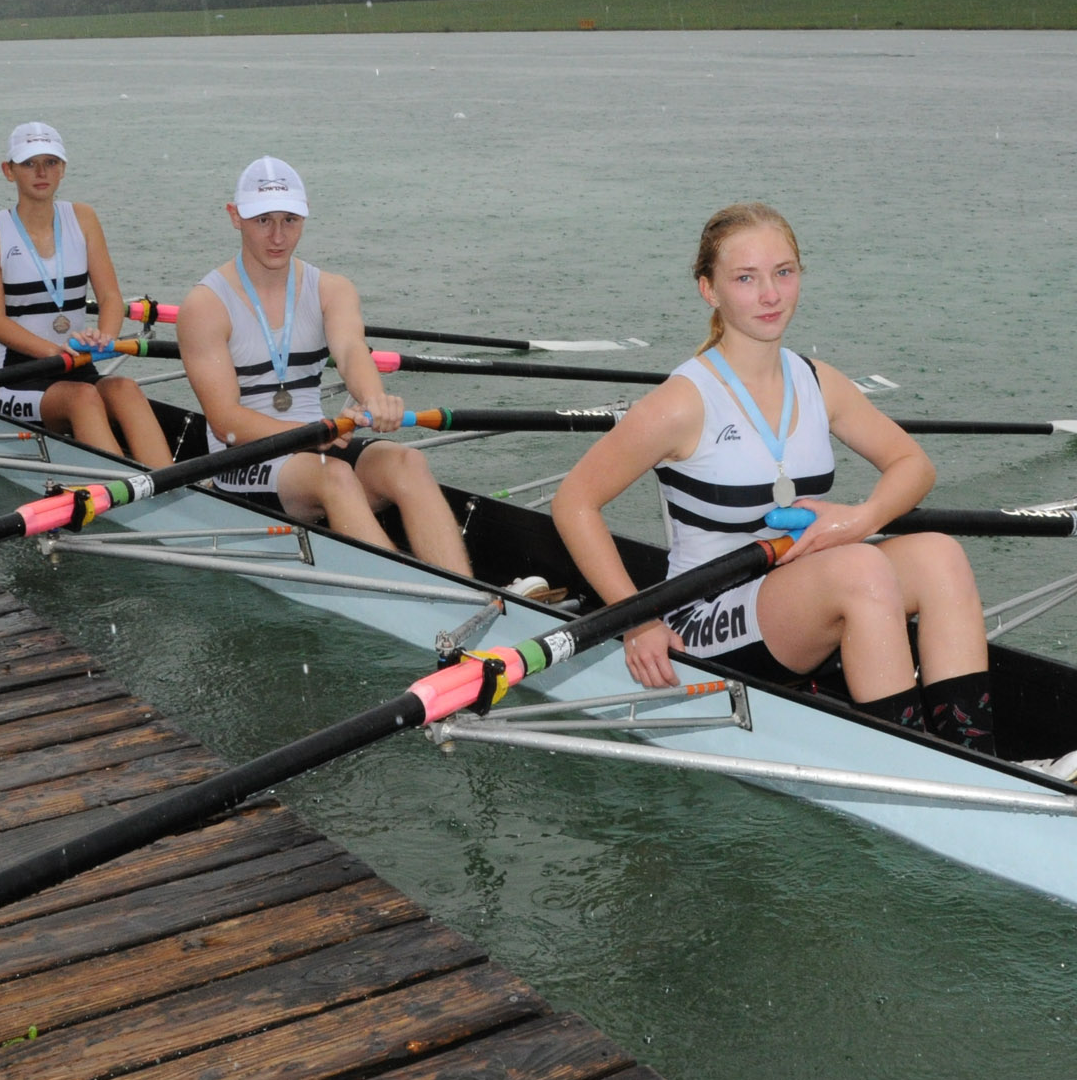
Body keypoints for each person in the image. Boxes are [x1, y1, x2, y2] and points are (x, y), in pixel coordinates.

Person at [551, 203, 1001, 746]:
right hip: (703, 615)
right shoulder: (682, 404)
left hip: (797, 594)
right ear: (709, 290)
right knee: (861, 569)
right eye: (746, 278)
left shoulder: (818, 382)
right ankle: (907, 759)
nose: (771, 295)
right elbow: (574, 501)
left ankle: (973, 751)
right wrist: (638, 621)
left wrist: (860, 518)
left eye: (783, 273)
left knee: (939, 555)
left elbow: (914, 465)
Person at [180, 155, 472, 575]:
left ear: (305, 215)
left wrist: (374, 399)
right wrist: (307, 436)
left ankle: (467, 591)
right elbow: (226, 421)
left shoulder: (332, 289)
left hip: (318, 444)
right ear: (235, 217)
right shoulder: (205, 306)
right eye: (263, 220)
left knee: (407, 463)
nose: (278, 236)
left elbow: (352, 351)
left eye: (290, 220)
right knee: (334, 476)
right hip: (244, 459)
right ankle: (414, 600)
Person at [0, 122, 169, 464]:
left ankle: (171, 487)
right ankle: (125, 495)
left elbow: (110, 298)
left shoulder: (83, 217)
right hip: (16, 375)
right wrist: (53, 351)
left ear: (63, 170)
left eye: (51, 162)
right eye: (29, 163)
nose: (42, 172)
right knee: (83, 399)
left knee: (126, 389)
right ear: (9, 171)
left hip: (77, 364)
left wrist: (105, 337)